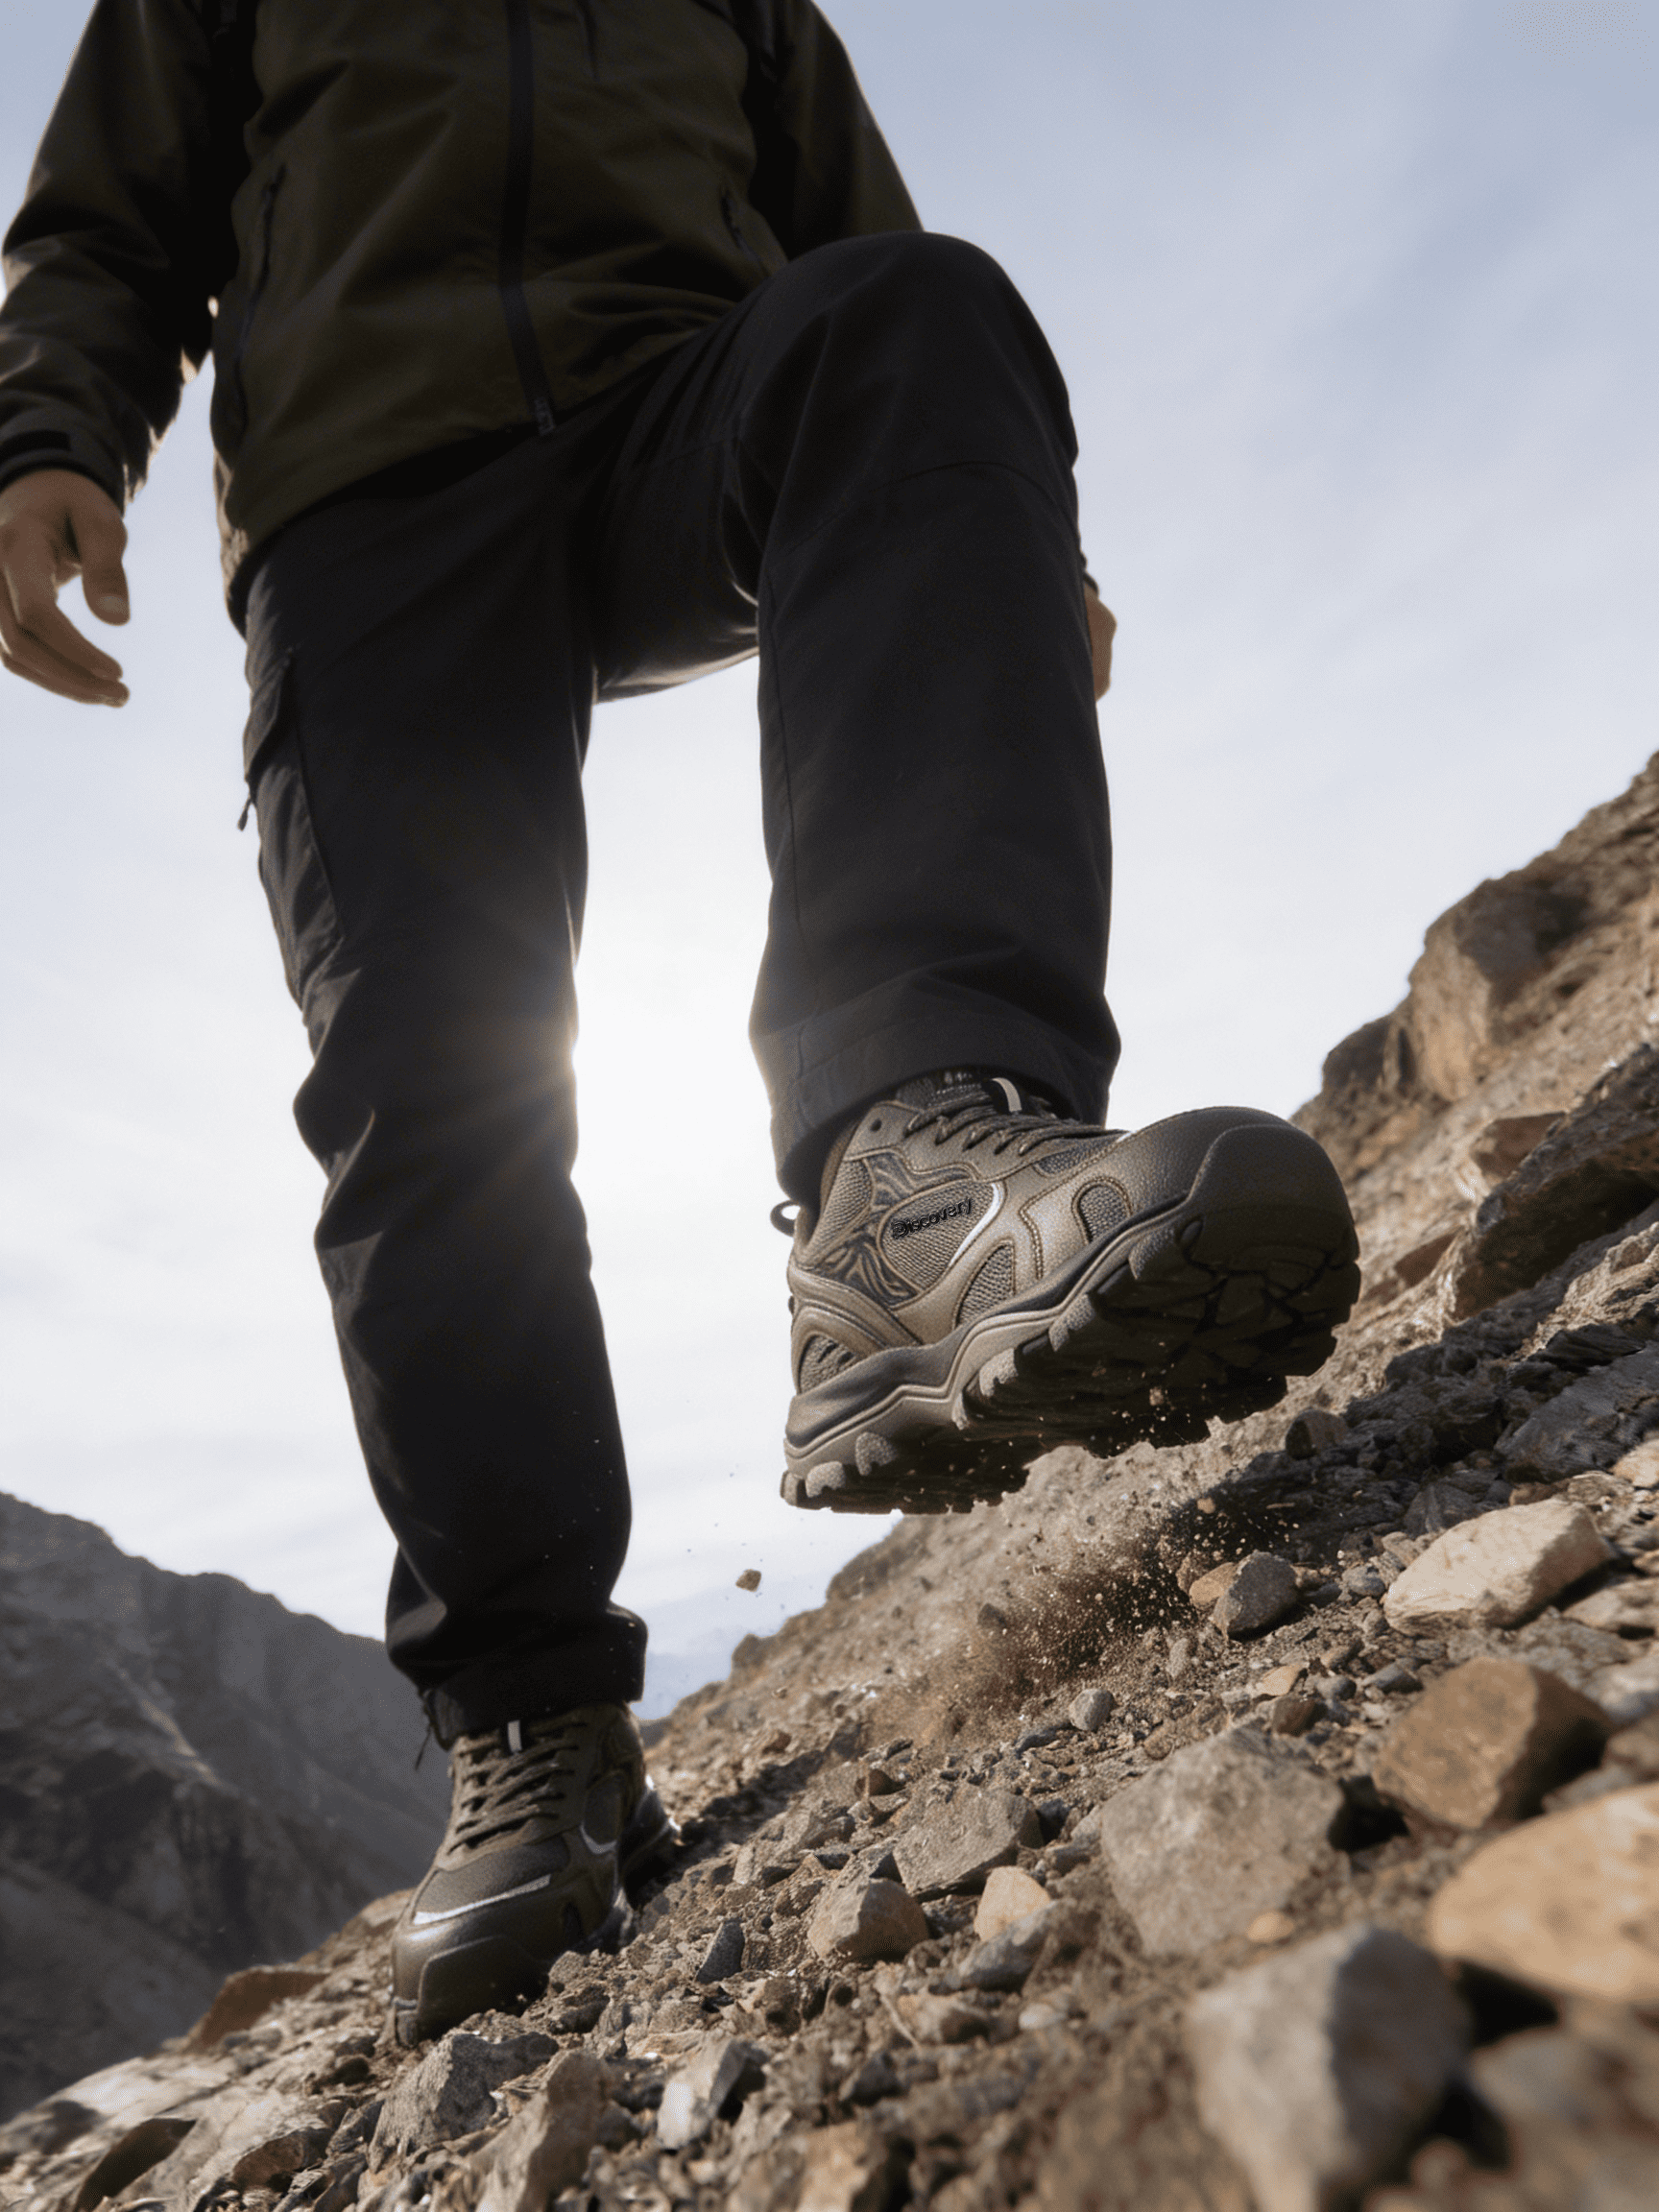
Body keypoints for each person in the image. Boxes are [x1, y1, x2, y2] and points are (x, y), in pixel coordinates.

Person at [0, 0, 1359, 2043]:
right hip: (365, 505)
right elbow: (108, 215)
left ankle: (912, 1191)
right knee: (426, 1079)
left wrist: (1009, 524)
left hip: (670, 402)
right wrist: (45, 432)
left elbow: (854, 235)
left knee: (913, 314)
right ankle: (536, 1730)